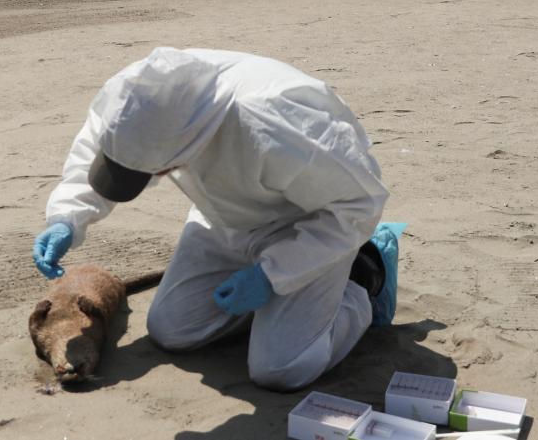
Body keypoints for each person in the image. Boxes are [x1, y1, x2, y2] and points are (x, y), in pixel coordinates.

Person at [32, 47, 403, 391]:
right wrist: (68, 216)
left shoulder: (275, 124)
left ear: (184, 149)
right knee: (173, 331)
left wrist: (274, 274)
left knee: (282, 368)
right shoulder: (135, 98)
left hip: (306, 227)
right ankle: (280, 309)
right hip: (223, 217)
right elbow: (108, 151)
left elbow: (358, 205)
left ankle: (364, 276)